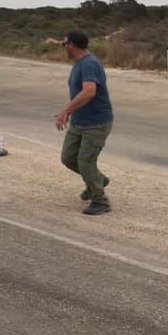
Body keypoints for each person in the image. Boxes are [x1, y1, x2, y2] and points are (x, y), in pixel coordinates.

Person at [55, 29, 114, 215]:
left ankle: (100, 201)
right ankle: (98, 180)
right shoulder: (79, 63)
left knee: (85, 161)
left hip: (96, 123)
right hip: (80, 122)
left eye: (64, 44)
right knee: (68, 158)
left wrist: (66, 110)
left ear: (71, 45)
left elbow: (89, 91)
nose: (64, 47)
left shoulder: (89, 64)